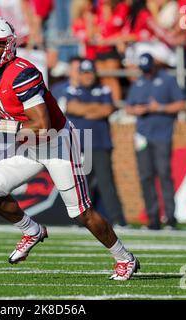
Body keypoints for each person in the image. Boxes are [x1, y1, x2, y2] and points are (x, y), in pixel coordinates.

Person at [0, 16, 139, 280]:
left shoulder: (23, 73)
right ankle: (32, 230)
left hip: (56, 142)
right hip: (29, 144)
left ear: (10, 45)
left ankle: (125, 258)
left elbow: (43, 126)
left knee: (81, 212)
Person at [124, 53, 186, 230]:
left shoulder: (167, 80)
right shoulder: (139, 82)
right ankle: (153, 218)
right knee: (145, 176)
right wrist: (136, 110)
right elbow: (128, 107)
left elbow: (181, 104)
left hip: (162, 135)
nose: (147, 73)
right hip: (142, 136)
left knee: (164, 174)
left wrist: (159, 107)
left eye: (149, 70)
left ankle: (171, 217)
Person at [65, 59, 128, 228]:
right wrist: (94, 109)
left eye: (90, 73)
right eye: (84, 73)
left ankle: (118, 220)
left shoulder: (104, 89)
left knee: (106, 182)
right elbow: (71, 107)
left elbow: (107, 110)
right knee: (81, 184)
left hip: (100, 143)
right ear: (80, 75)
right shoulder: (72, 89)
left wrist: (84, 109)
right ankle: (82, 221)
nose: (87, 76)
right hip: (79, 144)